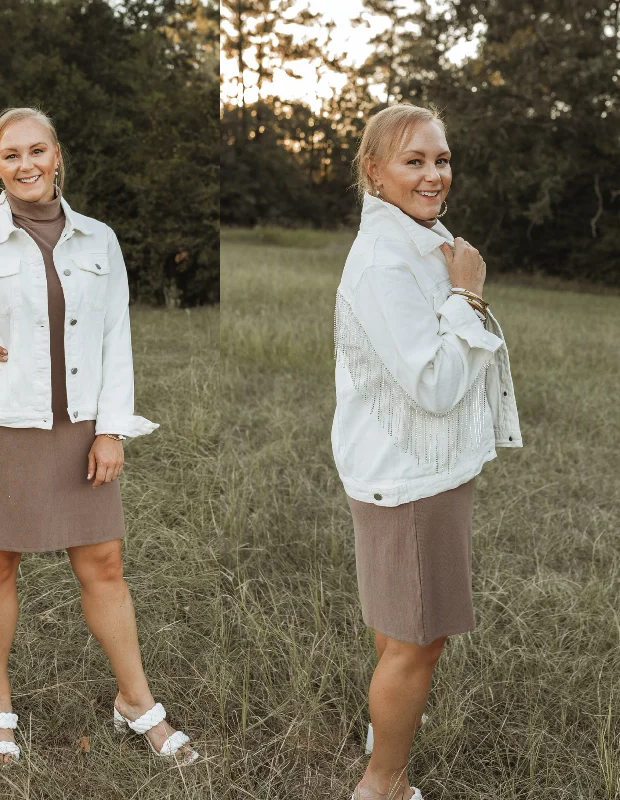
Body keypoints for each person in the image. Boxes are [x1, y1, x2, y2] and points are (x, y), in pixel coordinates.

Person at [0, 107, 198, 766]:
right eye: (11, 154)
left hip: (78, 428)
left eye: (37, 151)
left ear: (57, 157)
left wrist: (110, 431)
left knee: (104, 565)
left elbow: (114, 339)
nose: (26, 165)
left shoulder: (98, 239)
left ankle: (135, 701)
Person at [332, 104, 522, 799]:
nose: (434, 174)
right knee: (418, 639)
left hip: (414, 469)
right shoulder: (388, 260)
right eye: (414, 161)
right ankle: (383, 783)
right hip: (410, 478)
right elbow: (436, 383)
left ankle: (385, 743)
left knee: (398, 628)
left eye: (441, 160)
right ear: (374, 172)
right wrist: (467, 294)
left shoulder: (417, 240)